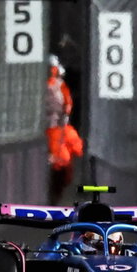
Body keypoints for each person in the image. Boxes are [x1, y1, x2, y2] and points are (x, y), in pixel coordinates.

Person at [44, 55, 82, 204]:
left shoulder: (60, 87)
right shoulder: (55, 86)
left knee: (61, 164)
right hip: (49, 130)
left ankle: (54, 196)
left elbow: (67, 106)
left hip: (55, 130)